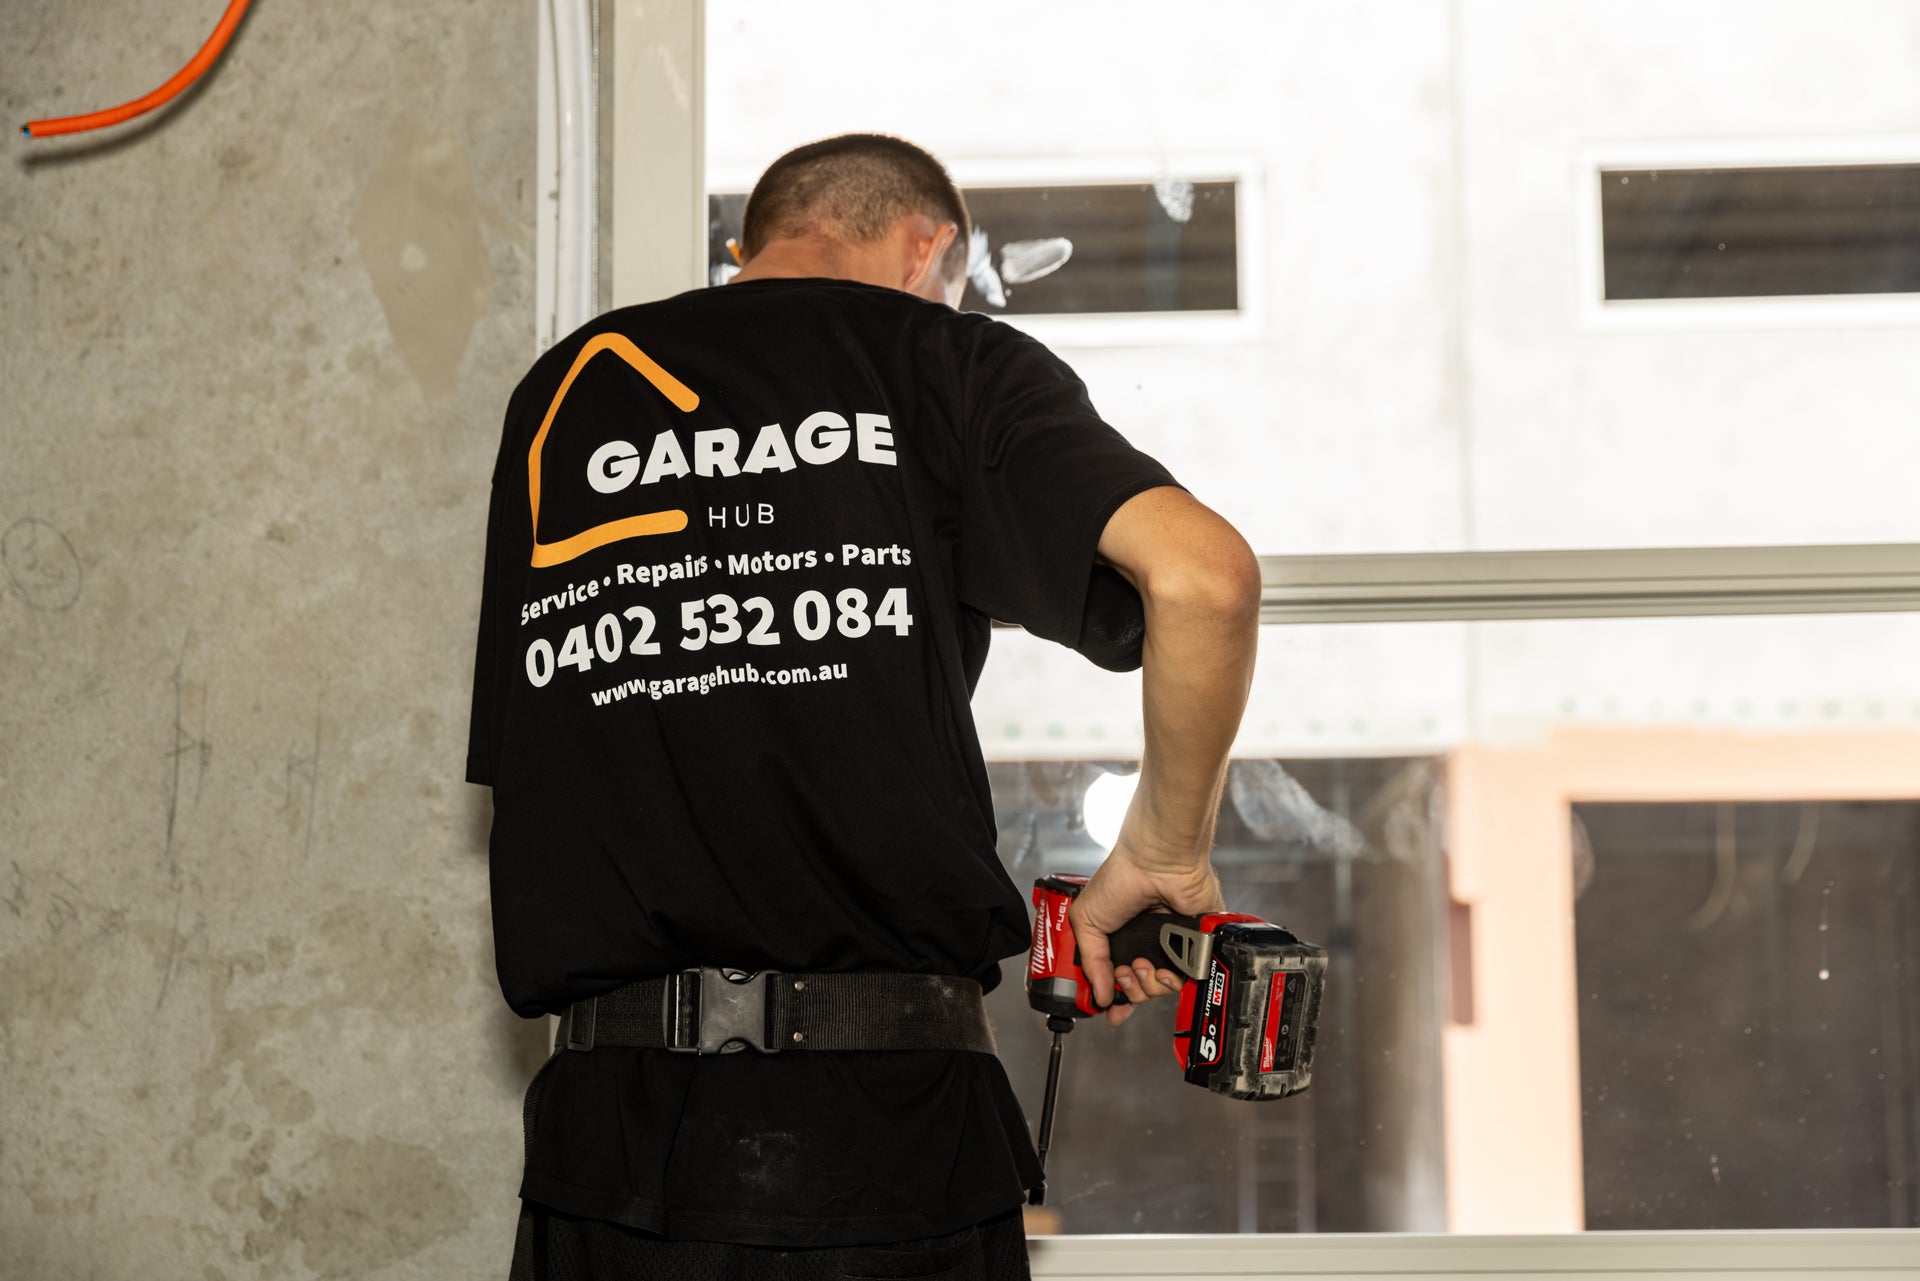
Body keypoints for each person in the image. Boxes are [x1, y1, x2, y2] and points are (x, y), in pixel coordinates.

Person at [466, 132, 1260, 1280]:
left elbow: (542, 760)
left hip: (608, 1149)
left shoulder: (562, 395)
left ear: (752, 248)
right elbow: (1203, 578)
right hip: (889, 1140)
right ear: (925, 246)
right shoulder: (939, 361)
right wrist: (1164, 853)